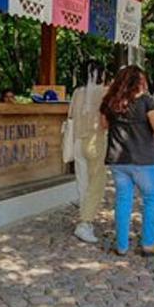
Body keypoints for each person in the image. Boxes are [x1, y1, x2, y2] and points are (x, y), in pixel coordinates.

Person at [101, 65, 154, 256]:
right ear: (141, 82)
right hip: (143, 160)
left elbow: (103, 125)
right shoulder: (147, 102)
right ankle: (149, 243)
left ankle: (122, 246)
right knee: (150, 199)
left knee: (123, 200)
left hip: (117, 160)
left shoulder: (110, 102)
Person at [68, 60, 111, 244]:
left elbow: (70, 115)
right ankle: (85, 223)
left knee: (83, 182)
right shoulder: (105, 92)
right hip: (97, 141)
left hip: (77, 141)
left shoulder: (77, 92)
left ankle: (86, 219)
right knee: (96, 184)